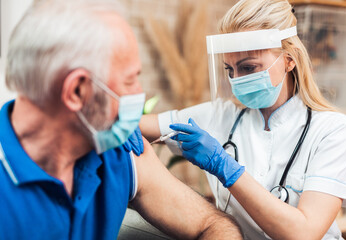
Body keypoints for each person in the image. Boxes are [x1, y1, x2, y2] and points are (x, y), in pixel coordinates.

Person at [0, 0, 243, 239]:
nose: (140, 93)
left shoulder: (119, 150)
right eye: (129, 81)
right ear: (77, 91)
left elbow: (212, 224)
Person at [140, 0, 346, 239]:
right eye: (230, 70)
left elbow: (304, 233)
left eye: (248, 68)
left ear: (289, 59)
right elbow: (139, 127)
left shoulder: (332, 130)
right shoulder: (222, 115)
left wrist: (226, 168)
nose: (237, 80)